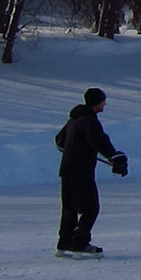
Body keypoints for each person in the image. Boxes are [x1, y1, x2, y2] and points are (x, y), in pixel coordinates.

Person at [56, 86, 128, 257]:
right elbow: (98, 141)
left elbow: (60, 141)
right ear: (97, 102)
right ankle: (80, 243)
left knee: (70, 208)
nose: (105, 104)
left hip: (67, 171)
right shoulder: (89, 120)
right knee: (91, 208)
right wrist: (115, 157)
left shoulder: (74, 119)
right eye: (103, 101)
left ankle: (64, 243)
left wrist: (74, 149)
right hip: (81, 172)